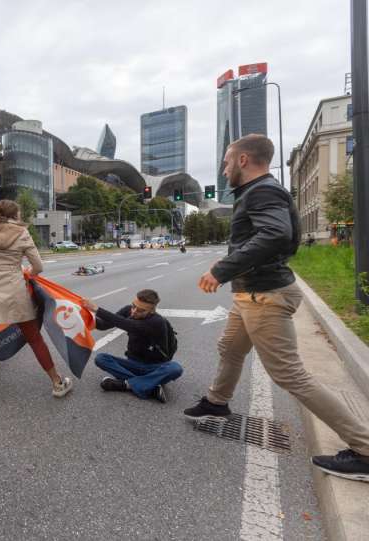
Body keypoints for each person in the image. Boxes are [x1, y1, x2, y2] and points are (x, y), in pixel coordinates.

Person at [189, 134, 369, 482]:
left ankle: (364, 448)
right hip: (252, 293)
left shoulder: (262, 191)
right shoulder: (259, 192)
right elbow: (273, 239)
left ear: (243, 160)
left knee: (289, 375)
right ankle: (217, 401)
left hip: (264, 296)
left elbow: (274, 235)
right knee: (229, 348)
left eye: (227, 162)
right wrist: (234, 264)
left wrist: (220, 270)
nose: (224, 169)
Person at [0, 200, 73, 398]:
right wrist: (27, 272)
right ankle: (57, 383)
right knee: (34, 338)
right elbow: (38, 266)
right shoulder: (22, 233)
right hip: (14, 289)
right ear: (15, 215)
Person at [81, 289, 182, 403]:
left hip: (155, 368)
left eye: (140, 310)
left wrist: (97, 309)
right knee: (101, 358)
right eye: (133, 306)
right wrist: (81, 316)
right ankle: (149, 386)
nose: (134, 312)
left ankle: (125, 384)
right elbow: (104, 325)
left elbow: (129, 325)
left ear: (151, 311)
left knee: (175, 368)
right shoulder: (128, 310)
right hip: (133, 364)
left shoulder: (157, 322)